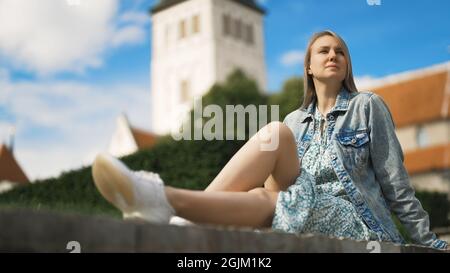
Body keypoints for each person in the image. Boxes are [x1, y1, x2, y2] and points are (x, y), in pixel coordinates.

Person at [92, 30, 448, 250]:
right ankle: (179, 219)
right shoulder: (295, 120)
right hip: (304, 200)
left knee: (267, 195)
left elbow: (395, 184)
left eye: (340, 52)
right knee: (275, 136)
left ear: (347, 66)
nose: (333, 55)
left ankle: (163, 200)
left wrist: (429, 241)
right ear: (309, 67)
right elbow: (279, 183)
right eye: (323, 51)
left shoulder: (367, 106)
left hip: (353, 219)